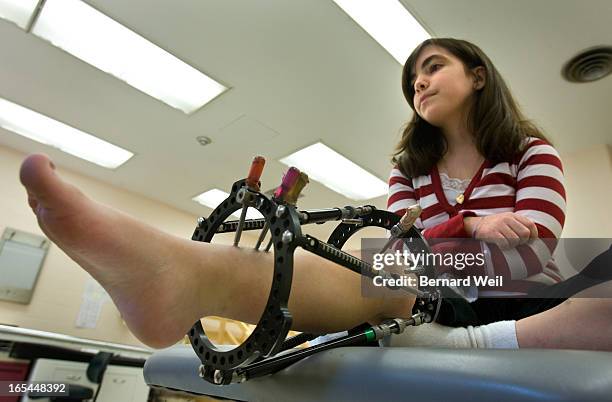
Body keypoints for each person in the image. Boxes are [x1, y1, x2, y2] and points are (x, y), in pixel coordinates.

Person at [18, 38, 611, 351]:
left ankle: (479, 341)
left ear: (478, 75)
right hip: (427, 290)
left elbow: (529, 257)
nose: (420, 83)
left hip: (520, 298)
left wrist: (449, 239)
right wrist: (472, 227)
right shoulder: (407, 168)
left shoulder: (534, 153)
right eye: (412, 82)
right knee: (386, 270)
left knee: (599, 268)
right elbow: (399, 247)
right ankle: (186, 274)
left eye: (431, 68)